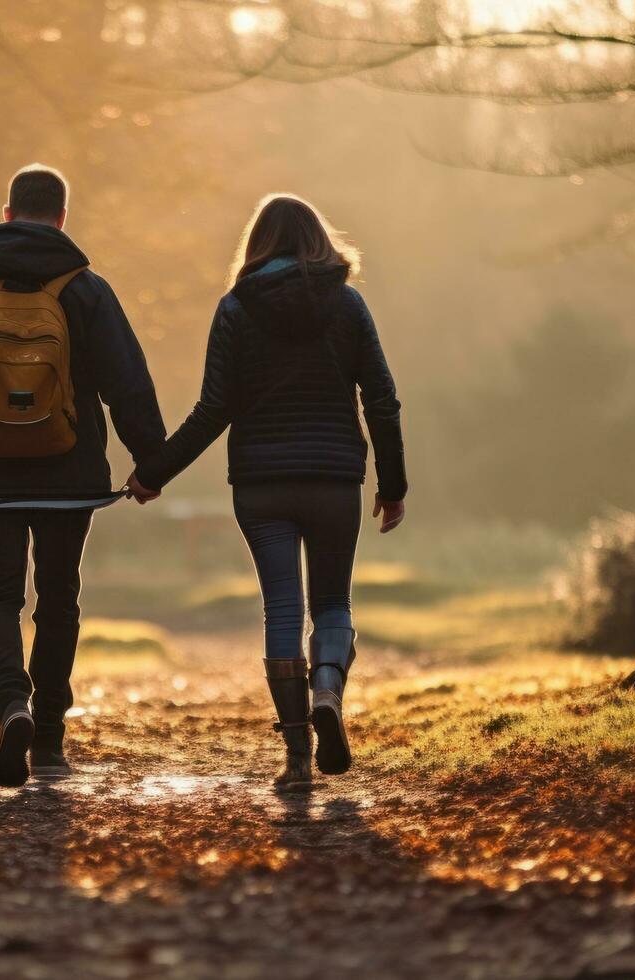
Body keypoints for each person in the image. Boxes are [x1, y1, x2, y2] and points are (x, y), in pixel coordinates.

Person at [0, 164, 166, 788]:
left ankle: (10, 703)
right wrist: (150, 464)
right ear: (63, 217)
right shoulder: (86, 289)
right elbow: (129, 383)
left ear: (7, 213)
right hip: (71, 477)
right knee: (59, 601)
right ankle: (47, 738)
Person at [128, 194, 406, 790]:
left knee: (282, 607)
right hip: (334, 479)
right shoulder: (348, 305)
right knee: (332, 602)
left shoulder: (236, 308)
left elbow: (213, 409)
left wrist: (154, 473)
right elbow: (380, 398)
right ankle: (328, 687)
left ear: (255, 245)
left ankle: (298, 754)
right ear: (319, 240)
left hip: (261, 483)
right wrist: (394, 483)